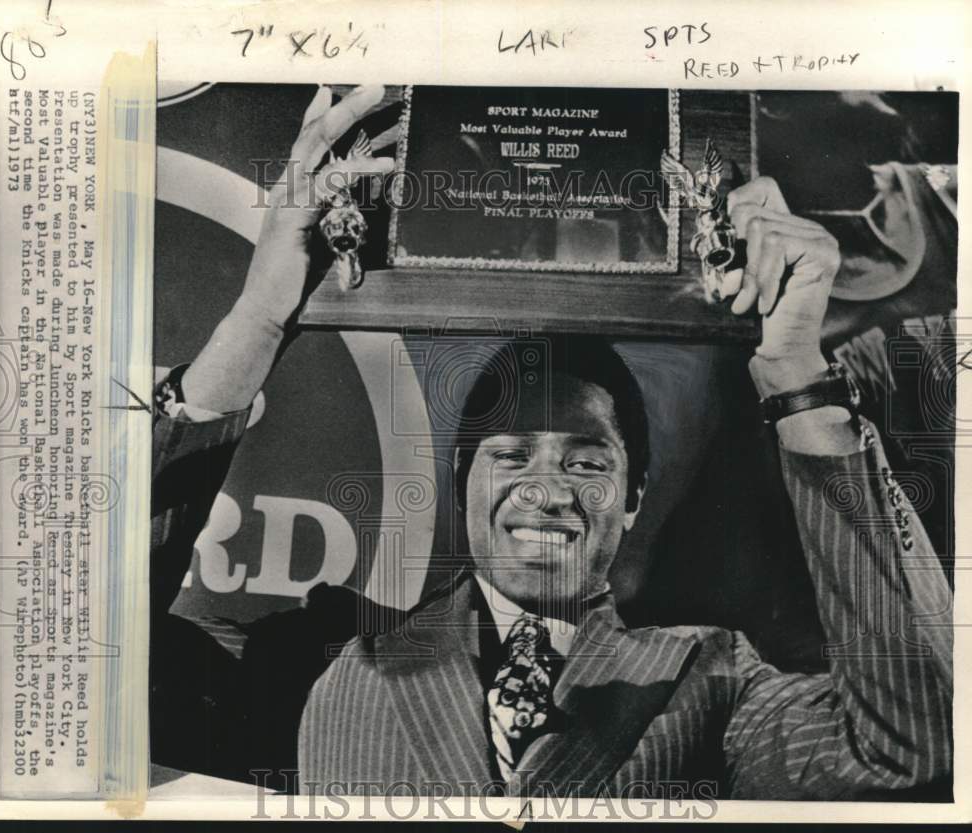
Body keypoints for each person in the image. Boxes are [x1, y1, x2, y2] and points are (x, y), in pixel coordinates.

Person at [150, 85, 953, 798]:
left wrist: (798, 376)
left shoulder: (711, 676)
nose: (545, 489)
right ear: (460, 478)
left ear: (635, 497)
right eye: (509, 454)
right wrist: (257, 318)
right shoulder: (321, 660)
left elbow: (906, 744)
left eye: (586, 461)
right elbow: (92, 648)